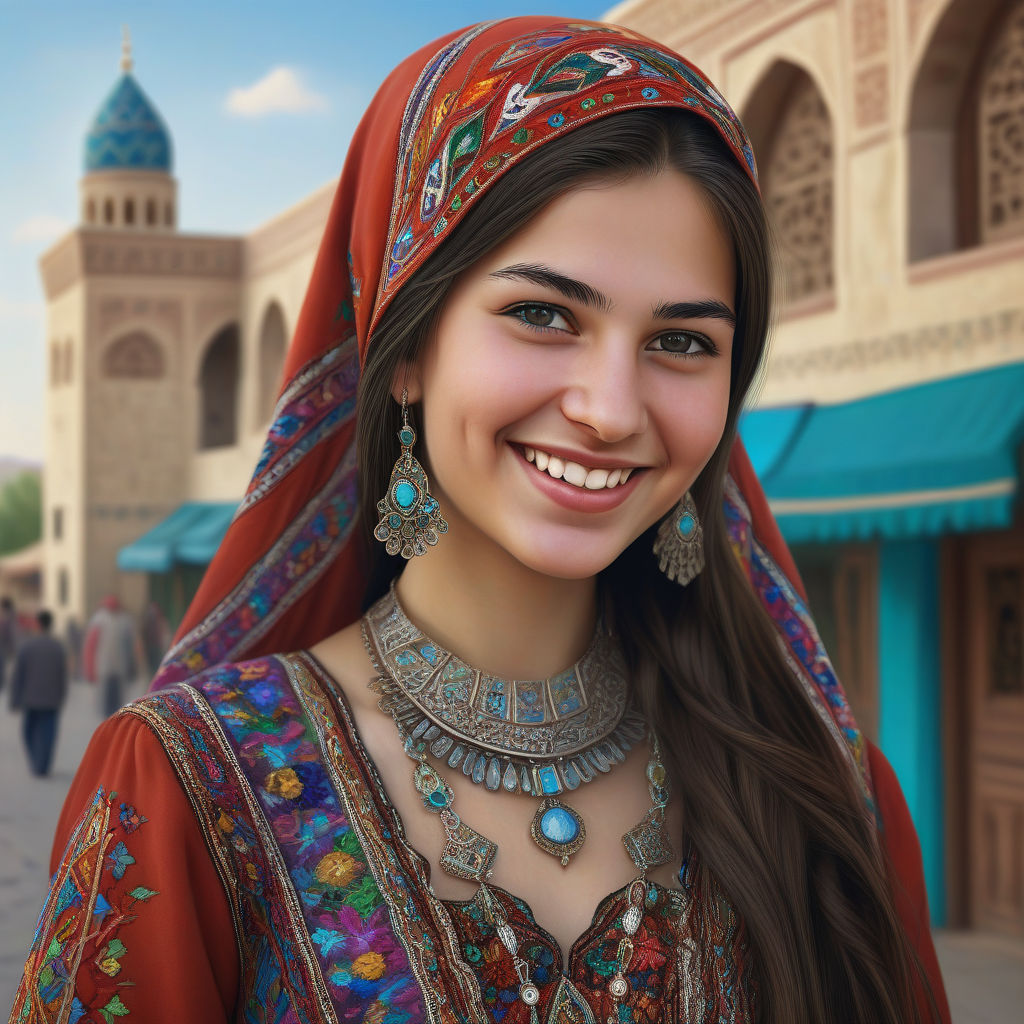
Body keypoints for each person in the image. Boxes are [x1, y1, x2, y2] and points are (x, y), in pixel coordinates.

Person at [10, 18, 950, 1024]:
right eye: (544, 315)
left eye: (681, 339)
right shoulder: (192, 792)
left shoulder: (823, 797)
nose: (610, 407)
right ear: (406, 351)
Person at [8, 608, 68, 776]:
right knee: (49, 733)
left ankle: (36, 761)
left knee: (29, 732)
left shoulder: (27, 646)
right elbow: (62, 674)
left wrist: (15, 699)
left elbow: (18, 675)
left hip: (31, 698)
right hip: (51, 699)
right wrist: (62, 695)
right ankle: (44, 764)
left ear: (37, 624)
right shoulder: (57, 647)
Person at [83, 594, 137, 716]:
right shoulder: (99, 620)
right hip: (104, 668)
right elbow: (90, 646)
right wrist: (90, 668)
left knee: (118, 701)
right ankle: (108, 723)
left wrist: (132, 665)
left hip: (119, 668)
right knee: (105, 701)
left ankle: (115, 721)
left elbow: (130, 645)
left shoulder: (125, 620)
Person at [0, 594, 16, 690]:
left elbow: (8, 634)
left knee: (5, 668)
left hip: (6, 648)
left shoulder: (7, 618)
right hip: (7, 648)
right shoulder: (11, 617)